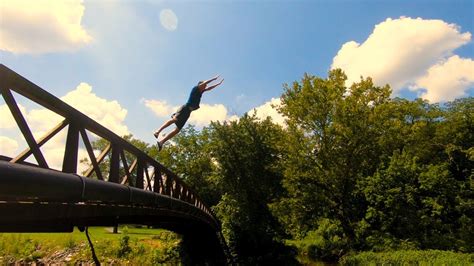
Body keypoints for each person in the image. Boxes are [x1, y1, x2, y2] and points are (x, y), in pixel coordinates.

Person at [154, 75, 224, 151]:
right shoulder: (195, 88)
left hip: (188, 113)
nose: (205, 87)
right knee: (174, 120)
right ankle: (157, 131)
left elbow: (209, 88)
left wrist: (218, 84)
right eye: (204, 85)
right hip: (185, 108)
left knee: (177, 130)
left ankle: (161, 142)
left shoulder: (201, 92)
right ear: (200, 85)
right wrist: (214, 78)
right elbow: (206, 83)